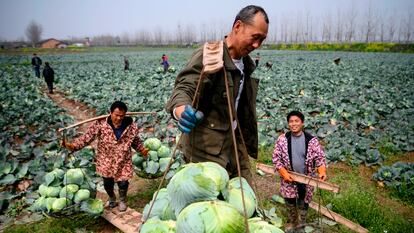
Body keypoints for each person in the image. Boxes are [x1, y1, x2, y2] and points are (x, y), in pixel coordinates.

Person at [166, 5, 269, 184]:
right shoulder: (210, 56)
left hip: (235, 142)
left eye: (262, 40)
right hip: (206, 148)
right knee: (210, 203)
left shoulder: (246, 63)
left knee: (245, 197)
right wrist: (182, 111)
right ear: (238, 26)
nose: (256, 45)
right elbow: (184, 88)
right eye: (255, 37)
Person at [61, 101, 149, 212]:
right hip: (106, 159)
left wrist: (142, 149)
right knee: (108, 183)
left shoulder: (131, 127)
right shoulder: (101, 124)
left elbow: (135, 140)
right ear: (110, 113)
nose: (119, 118)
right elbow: (87, 138)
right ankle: (112, 198)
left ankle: (122, 200)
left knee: (123, 182)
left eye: (122, 116)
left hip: (123, 159)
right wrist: (72, 146)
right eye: (116, 115)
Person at [272, 110, 327, 232]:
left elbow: (320, 158)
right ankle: (293, 222)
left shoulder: (311, 140)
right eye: (291, 121)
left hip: (306, 178)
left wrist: (322, 171)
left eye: (296, 121)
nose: (293, 124)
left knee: (303, 201)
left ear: (302, 123)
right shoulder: (283, 140)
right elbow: (276, 159)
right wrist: (284, 173)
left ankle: (301, 224)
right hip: (289, 177)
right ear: (288, 124)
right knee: (290, 201)